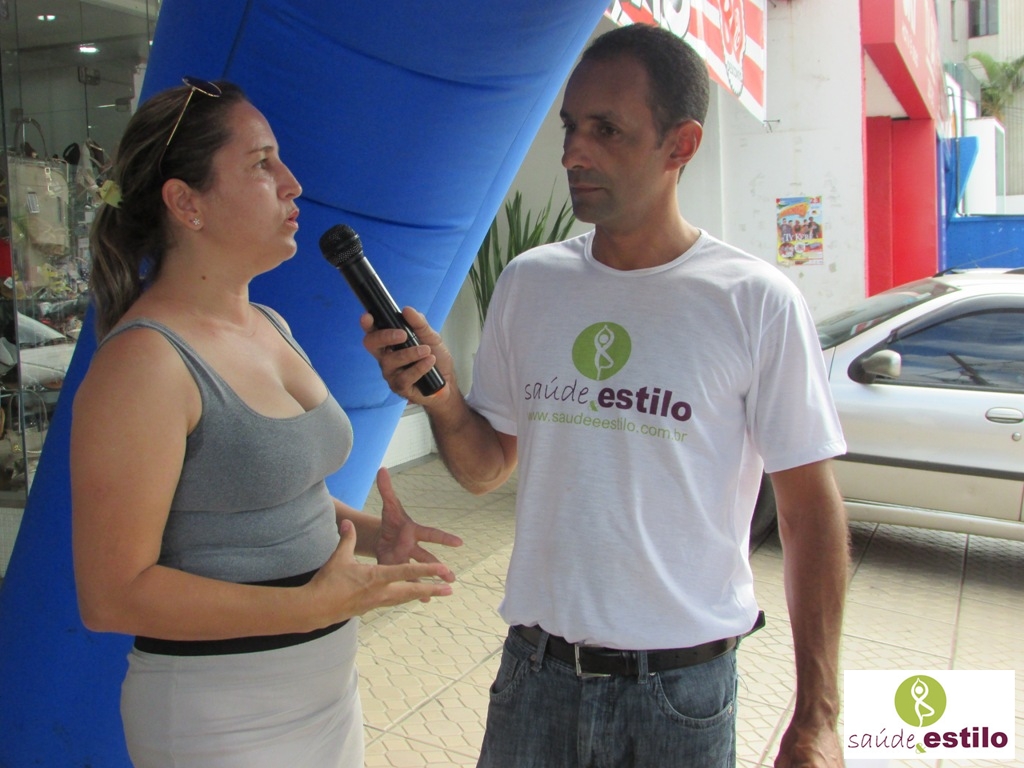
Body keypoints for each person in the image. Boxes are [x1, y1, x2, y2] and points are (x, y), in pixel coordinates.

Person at [362, 23, 848, 768]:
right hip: (534, 679)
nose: (572, 153)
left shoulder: (754, 302)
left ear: (681, 145)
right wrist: (444, 397)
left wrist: (817, 714)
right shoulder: (530, 284)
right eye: (569, 127)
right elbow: (488, 469)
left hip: (679, 696)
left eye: (606, 130)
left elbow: (811, 513)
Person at [70, 77, 462, 768]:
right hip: (218, 715)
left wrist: (369, 533)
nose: (293, 183)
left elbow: (259, 493)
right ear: (186, 203)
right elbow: (111, 595)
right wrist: (309, 607)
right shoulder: (145, 363)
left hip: (324, 691)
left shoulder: (269, 324)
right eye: (261, 163)